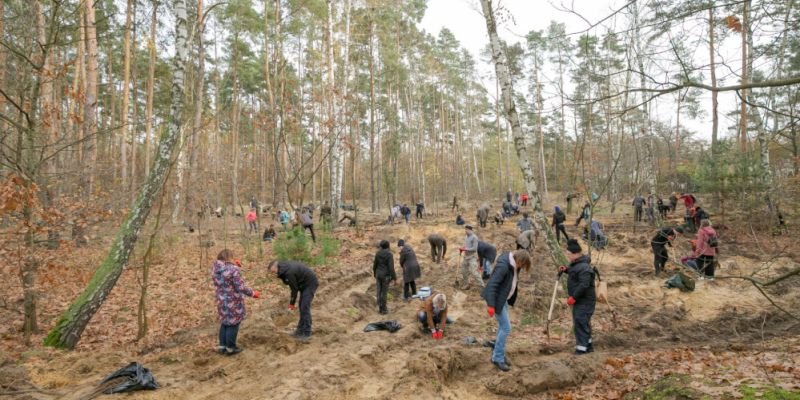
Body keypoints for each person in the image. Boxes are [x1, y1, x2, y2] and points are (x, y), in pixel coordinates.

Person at [482, 249, 532, 371]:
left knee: (503, 326)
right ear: (519, 260)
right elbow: (492, 284)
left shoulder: (513, 264)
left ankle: (497, 347)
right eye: (523, 265)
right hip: (496, 300)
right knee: (506, 327)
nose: (522, 268)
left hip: (503, 298)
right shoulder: (504, 266)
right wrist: (491, 305)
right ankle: (497, 358)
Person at [212, 250, 260, 355]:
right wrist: (252, 293)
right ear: (229, 258)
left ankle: (222, 347)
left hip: (221, 300)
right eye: (232, 257)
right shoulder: (233, 269)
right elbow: (240, 286)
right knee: (233, 323)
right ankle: (231, 348)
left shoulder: (215, 269)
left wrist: (236, 266)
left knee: (225, 322)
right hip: (233, 300)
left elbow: (226, 278)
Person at [561, 239, 596, 355]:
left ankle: (581, 350)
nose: (567, 256)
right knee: (583, 323)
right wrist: (566, 270)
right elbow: (574, 272)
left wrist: (574, 297)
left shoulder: (584, 267)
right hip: (580, 301)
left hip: (584, 301)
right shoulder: (576, 264)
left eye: (568, 254)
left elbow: (584, 284)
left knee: (580, 323)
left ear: (576, 254)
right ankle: (589, 346)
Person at [269, 260, 318, 341]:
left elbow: (294, 290)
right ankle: (299, 330)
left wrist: (291, 304)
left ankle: (306, 333)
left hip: (310, 283)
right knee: (301, 306)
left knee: (304, 307)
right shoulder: (284, 267)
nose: (274, 273)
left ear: (276, 266)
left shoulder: (288, 272)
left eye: (273, 271)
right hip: (303, 284)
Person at [373, 240, 397, 314]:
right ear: (388, 246)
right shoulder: (389, 254)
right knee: (384, 292)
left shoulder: (378, 253)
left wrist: (375, 274)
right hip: (385, 276)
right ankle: (384, 309)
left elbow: (375, 265)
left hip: (378, 274)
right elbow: (391, 268)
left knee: (379, 291)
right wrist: (394, 278)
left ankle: (380, 308)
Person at [458, 225, 483, 290]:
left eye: (467, 230)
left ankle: (482, 286)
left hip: (472, 257)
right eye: (465, 230)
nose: (465, 231)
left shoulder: (474, 237)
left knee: (474, 272)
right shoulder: (466, 237)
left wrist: (465, 249)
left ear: (470, 230)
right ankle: (466, 284)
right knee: (463, 271)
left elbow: (474, 249)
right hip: (466, 257)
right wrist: (462, 248)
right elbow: (466, 245)